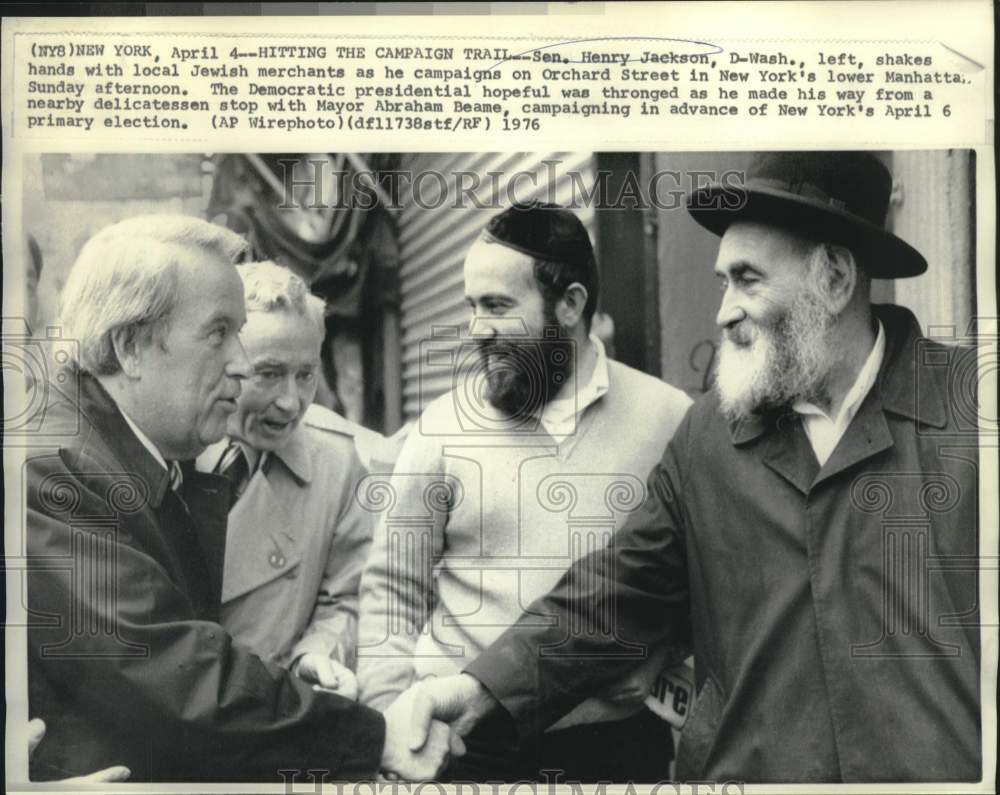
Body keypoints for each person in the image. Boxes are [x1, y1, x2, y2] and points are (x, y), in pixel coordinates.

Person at [401, 152, 982, 783]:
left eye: (748, 279)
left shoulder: (971, 418)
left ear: (835, 280)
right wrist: (480, 687)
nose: (723, 311)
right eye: (721, 282)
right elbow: (610, 599)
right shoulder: (708, 437)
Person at [25, 215, 454, 782]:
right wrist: (372, 736)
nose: (240, 362)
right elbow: (178, 678)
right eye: (218, 332)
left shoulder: (117, 446)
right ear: (130, 347)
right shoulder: (57, 467)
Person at [356, 201, 693, 781]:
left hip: (617, 748)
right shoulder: (439, 430)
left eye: (497, 306)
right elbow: (393, 588)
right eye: (471, 307)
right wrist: (390, 719)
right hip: (466, 749)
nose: (476, 329)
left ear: (570, 304)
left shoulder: (669, 419)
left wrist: (663, 658)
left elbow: (696, 577)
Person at [196, 261, 373, 700]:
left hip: (271, 707)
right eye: (269, 373)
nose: (292, 403)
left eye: (306, 375)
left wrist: (316, 656)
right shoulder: (164, 448)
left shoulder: (337, 462)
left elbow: (349, 596)